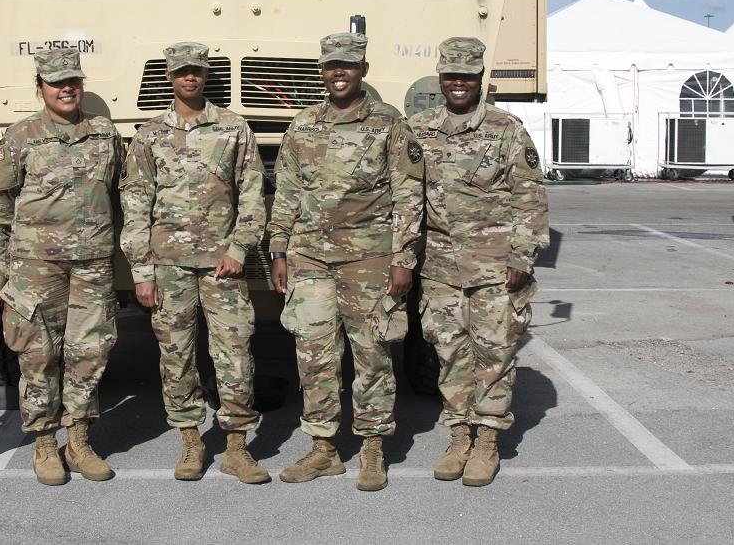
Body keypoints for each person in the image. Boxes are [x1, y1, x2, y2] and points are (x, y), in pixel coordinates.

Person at [267, 32, 424, 491]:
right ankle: (323, 449)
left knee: (372, 354)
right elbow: (288, 192)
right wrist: (278, 249)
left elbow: (409, 194)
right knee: (314, 356)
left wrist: (403, 259)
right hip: (310, 258)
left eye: (348, 66)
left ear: (363, 71)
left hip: (369, 259)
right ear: (322, 70)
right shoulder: (303, 125)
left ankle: (373, 448)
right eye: (332, 65)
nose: (339, 73)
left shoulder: (388, 123)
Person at [120, 42, 270, 484]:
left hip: (223, 264)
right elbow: (135, 203)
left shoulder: (233, 127)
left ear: (206, 76)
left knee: (235, 354)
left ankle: (237, 448)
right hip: (169, 267)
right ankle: (190, 441)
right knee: (176, 356)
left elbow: (251, 192)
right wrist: (142, 272)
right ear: (170, 76)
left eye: (197, 72)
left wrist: (240, 248)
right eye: (182, 72)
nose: (190, 78)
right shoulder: (149, 135)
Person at [408, 37, 549, 487]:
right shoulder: (420, 129)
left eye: (467, 77)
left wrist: (522, 256)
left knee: (495, 353)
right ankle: (458, 437)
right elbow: (406, 196)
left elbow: (530, 198)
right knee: (449, 353)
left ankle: (487, 441)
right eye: (451, 76)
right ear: (441, 78)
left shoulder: (508, 129)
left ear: (480, 78)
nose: (459, 84)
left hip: (494, 265)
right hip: (440, 267)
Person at [0, 47, 123, 486]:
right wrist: (13, 253)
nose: (67, 88)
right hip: (36, 265)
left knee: (89, 352)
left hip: (92, 263)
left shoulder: (104, 133)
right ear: (40, 87)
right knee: (38, 353)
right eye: (57, 82)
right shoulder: (20, 135)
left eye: (74, 81)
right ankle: (45, 443)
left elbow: (120, 192)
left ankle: (79, 442)